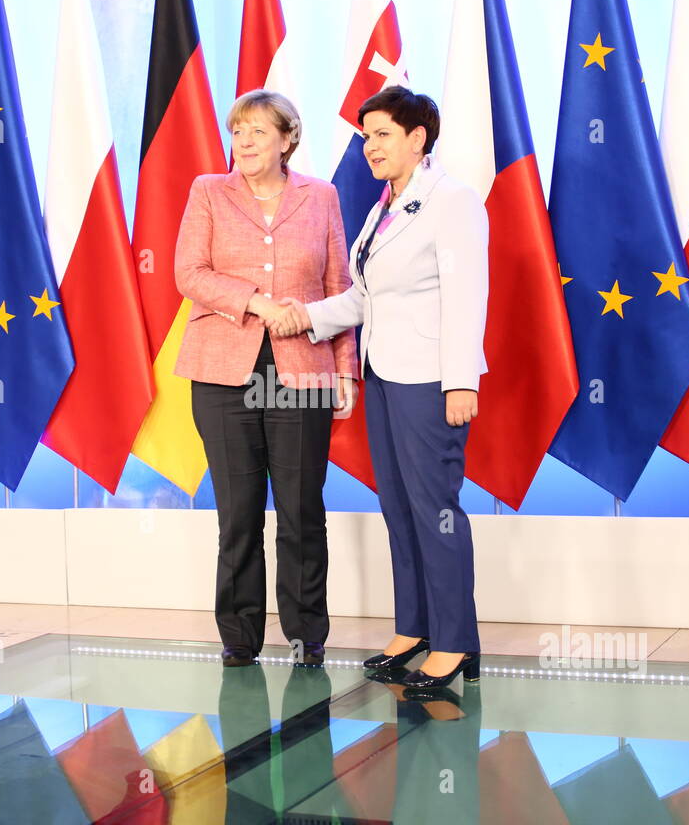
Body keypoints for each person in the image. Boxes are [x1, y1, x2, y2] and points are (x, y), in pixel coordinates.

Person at [270, 86, 489, 688]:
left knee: (435, 509)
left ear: (418, 139)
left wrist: (461, 382)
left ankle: (454, 643)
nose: (370, 146)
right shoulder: (384, 207)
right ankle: (413, 628)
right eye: (366, 135)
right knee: (398, 507)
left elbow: (468, 296)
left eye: (382, 134)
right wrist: (305, 316)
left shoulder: (454, 201)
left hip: (431, 381)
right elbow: (363, 297)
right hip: (386, 378)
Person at [174, 89, 359, 668]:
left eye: (257, 131)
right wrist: (256, 302)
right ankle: (239, 639)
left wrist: (346, 370)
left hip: (303, 372)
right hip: (222, 370)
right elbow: (189, 273)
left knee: (303, 509)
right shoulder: (208, 191)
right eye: (237, 132)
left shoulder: (322, 196)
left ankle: (308, 635)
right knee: (239, 509)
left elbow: (338, 289)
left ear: (288, 138)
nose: (245, 142)